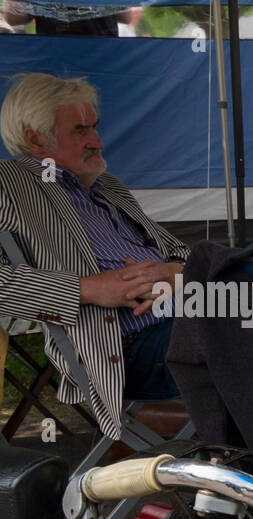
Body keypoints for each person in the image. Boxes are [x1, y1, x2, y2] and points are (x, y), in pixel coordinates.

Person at [0, 73, 189, 439]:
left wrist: (174, 272)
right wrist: (86, 289)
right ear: (35, 138)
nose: (98, 141)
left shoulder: (109, 187)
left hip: (192, 310)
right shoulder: (8, 183)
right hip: (132, 346)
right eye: (80, 131)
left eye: (95, 128)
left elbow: (179, 251)